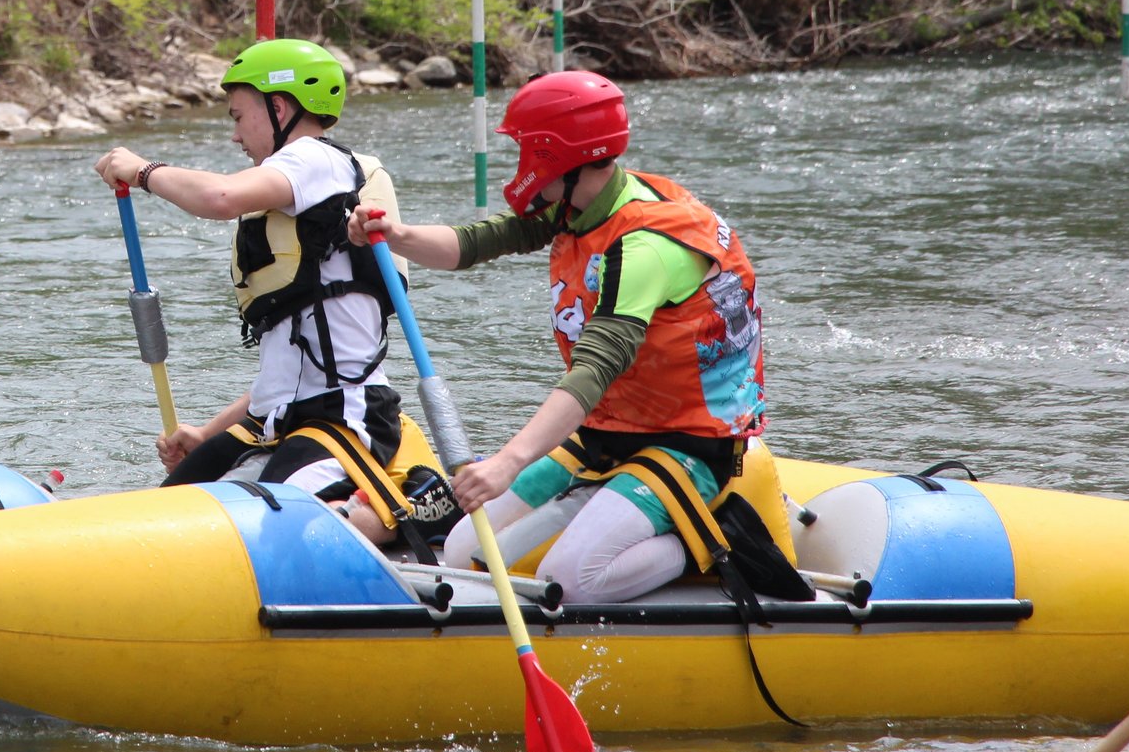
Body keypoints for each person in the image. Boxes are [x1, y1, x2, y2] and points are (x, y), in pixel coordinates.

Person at [350, 69, 786, 603]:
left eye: (526, 151)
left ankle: (708, 539)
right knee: (464, 550)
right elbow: (476, 242)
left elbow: (594, 370)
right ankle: (607, 499)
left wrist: (505, 461)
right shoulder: (577, 204)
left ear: (555, 157)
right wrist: (395, 235)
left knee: (572, 579)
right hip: (607, 435)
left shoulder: (645, 247)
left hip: (687, 445)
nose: (520, 167)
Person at [95, 38, 407, 545]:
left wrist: (143, 170)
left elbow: (219, 197)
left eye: (239, 116)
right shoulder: (295, 193)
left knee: (259, 533)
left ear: (279, 107)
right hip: (281, 420)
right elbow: (285, 380)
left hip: (346, 422)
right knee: (157, 519)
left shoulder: (316, 159)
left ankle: (389, 519)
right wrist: (207, 432)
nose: (235, 134)